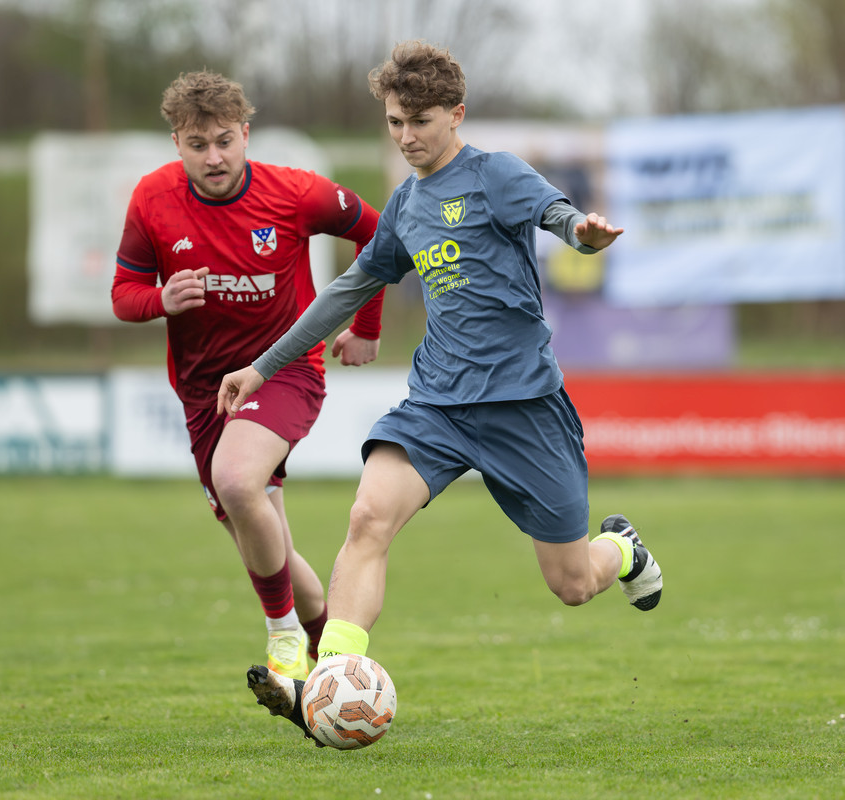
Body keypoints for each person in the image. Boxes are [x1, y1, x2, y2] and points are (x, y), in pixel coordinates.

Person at [217, 41, 663, 745]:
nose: (405, 137)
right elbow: (348, 290)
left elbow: (556, 214)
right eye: (395, 122)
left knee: (573, 582)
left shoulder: (495, 174)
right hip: (437, 404)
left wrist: (581, 233)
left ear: (456, 114)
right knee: (368, 518)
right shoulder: (405, 204)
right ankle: (332, 678)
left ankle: (624, 549)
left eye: (419, 121)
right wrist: (263, 367)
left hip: (523, 406)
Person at [111, 70, 385, 681]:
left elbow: (380, 235)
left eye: (224, 141)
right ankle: (337, 672)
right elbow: (123, 294)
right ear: (176, 144)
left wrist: (366, 325)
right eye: (197, 144)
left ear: (246, 135)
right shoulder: (152, 199)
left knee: (236, 482)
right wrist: (160, 300)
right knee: (271, 549)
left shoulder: (295, 194)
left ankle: (283, 637)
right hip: (203, 393)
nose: (214, 157)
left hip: (283, 370)